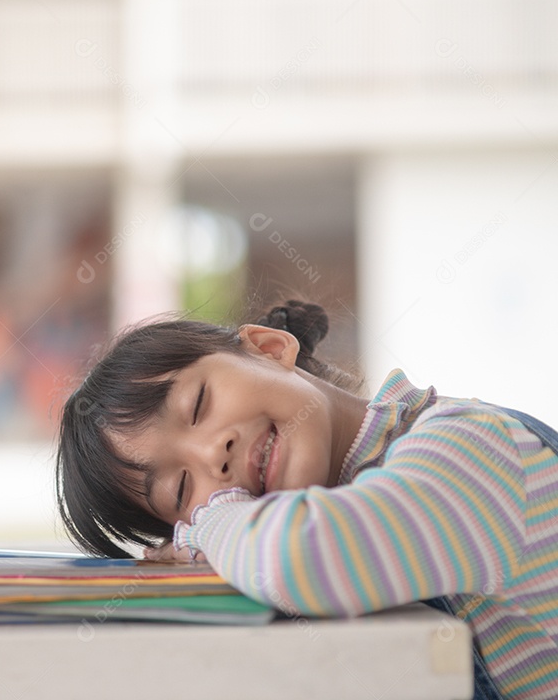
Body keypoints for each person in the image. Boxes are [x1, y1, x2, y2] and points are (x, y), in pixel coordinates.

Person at [55, 300, 558, 700]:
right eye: (182, 489)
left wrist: (207, 522)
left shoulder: (467, 445)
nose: (213, 453)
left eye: (198, 404)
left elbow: (302, 556)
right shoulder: (299, 533)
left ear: (268, 348)